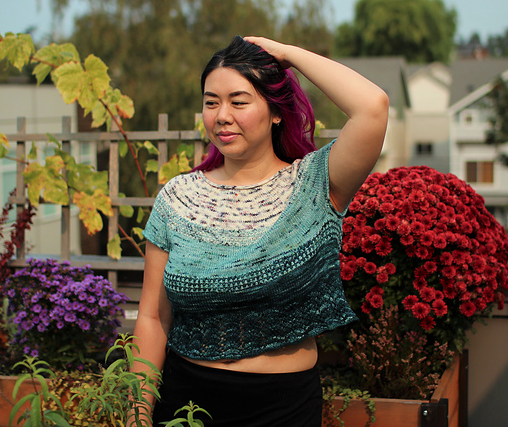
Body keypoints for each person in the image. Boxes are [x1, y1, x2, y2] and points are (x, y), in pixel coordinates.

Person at [130, 35, 389, 426]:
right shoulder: (178, 198)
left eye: (238, 101)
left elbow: (373, 107)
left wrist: (286, 55)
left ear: (276, 112)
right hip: (185, 406)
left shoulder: (314, 185)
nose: (221, 116)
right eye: (211, 102)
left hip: (282, 409)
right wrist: (137, 411)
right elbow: (153, 318)